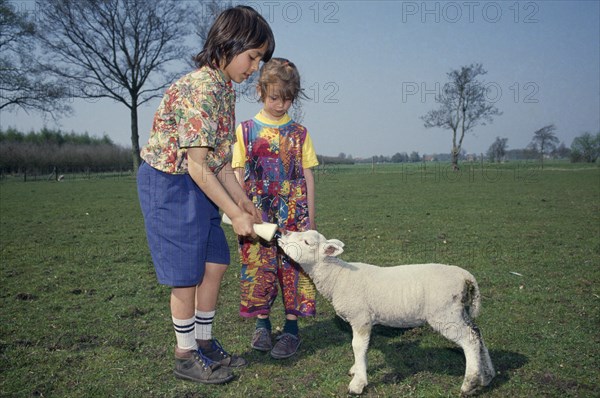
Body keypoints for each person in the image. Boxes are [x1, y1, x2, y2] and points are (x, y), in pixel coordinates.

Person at [136, 6, 274, 384]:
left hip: (200, 182)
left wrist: (244, 203)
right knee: (186, 275)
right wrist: (235, 212)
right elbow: (197, 166)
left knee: (215, 263)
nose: (254, 67)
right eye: (252, 56)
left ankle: (204, 342)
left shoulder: (224, 91)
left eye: (259, 60)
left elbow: (222, 164)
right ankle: (185, 355)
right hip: (170, 184)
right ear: (230, 44)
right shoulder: (201, 88)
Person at [232, 58, 319, 359]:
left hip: (294, 215)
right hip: (257, 216)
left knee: (294, 270)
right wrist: (237, 212)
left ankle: (292, 330)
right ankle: (262, 325)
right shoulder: (244, 131)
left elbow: (307, 176)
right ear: (260, 91)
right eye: (274, 98)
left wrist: (311, 218)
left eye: (288, 99)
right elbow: (234, 173)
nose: (281, 105)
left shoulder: (301, 133)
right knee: (259, 267)